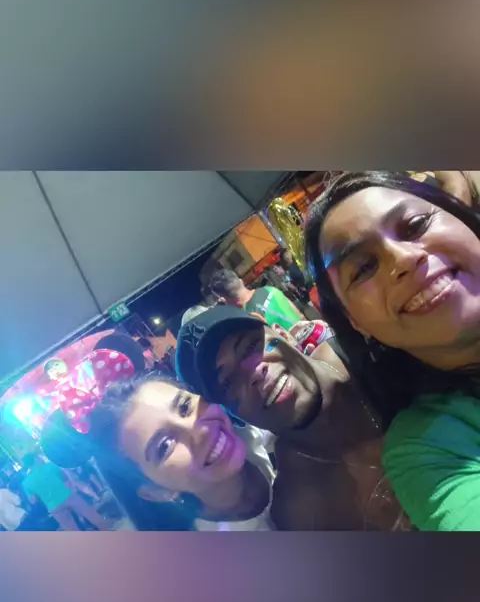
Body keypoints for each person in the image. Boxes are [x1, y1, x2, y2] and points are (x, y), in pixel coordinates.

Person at [304, 170, 480, 531]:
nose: (403, 259)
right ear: (357, 323)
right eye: (364, 268)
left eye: (415, 225)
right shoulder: (426, 452)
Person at [176, 305, 409, 530]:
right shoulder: (300, 509)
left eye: (251, 346)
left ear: (282, 333)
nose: (254, 372)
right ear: (234, 415)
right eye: (228, 382)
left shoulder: (370, 351)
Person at [89, 371, 275, 531]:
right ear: (156, 491)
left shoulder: (246, 434)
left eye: (185, 406)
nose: (201, 429)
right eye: (165, 445)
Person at [22, 453, 111, 531]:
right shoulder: (49, 466)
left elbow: (33, 500)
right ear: (35, 459)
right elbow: (64, 477)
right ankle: (107, 531)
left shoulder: (26, 482)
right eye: (39, 457)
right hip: (67, 495)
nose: (40, 458)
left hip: (53, 506)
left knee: (71, 529)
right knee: (90, 514)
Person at [208, 268, 304, 332]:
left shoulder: (249, 319)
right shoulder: (270, 289)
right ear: (241, 281)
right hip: (308, 335)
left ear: (223, 299)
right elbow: (300, 316)